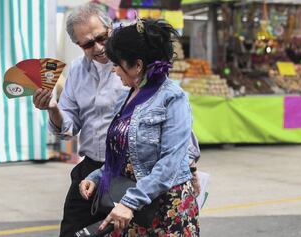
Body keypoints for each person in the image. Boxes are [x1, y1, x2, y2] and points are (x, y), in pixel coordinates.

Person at [79, 19, 200, 236]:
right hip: (131, 206)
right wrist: (97, 176)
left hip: (164, 209)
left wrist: (130, 202)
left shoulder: (173, 97)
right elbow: (124, 155)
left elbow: (170, 162)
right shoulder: (126, 98)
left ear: (137, 65)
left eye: (117, 64)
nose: (114, 71)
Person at [32, 3, 127, 237]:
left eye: (102, 38)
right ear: (78, 45)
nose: (98, 47)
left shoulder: (131, 65)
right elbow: (68, 129)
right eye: (87, 44)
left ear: (111, 28)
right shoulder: (76, 70)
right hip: (91, 167)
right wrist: (53, 108)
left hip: (127, 170)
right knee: (72, 231)